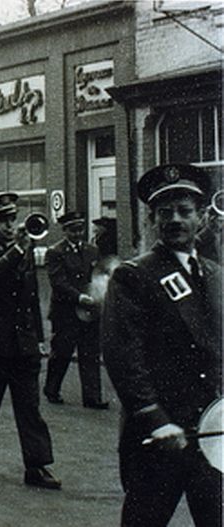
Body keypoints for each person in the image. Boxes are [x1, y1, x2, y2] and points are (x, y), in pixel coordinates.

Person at [102, 164, 222, 526]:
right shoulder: (134, 275)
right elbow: (124, 357)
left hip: (212, 433)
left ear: (201, 218)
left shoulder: (217, 275)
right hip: (160, 436)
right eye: (165, 212)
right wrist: (155, 419)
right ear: (151, 219)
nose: (175, 220)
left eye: (185, 211)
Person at [0, 193, 60, 489]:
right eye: (3, 221)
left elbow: (31, 298)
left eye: (12, 219)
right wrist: (17, 251)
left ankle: (36, 466)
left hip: (23, 342)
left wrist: (41, 339)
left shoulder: (24, 251)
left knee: (30, 407)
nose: (10, 225)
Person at [42, 212, 108, 409]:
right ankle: (52, 389)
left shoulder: (92, 250)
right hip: (66, 312)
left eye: (80, 230)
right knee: (62, 352)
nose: (77, 234)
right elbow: (58, 282)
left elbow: (96, 275)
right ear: (65, 231)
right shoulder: (55, 252)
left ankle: (92, 397)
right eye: (73, 230)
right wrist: (78, 297)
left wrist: (99, 292)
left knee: (90, 354)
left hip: (89, 312)